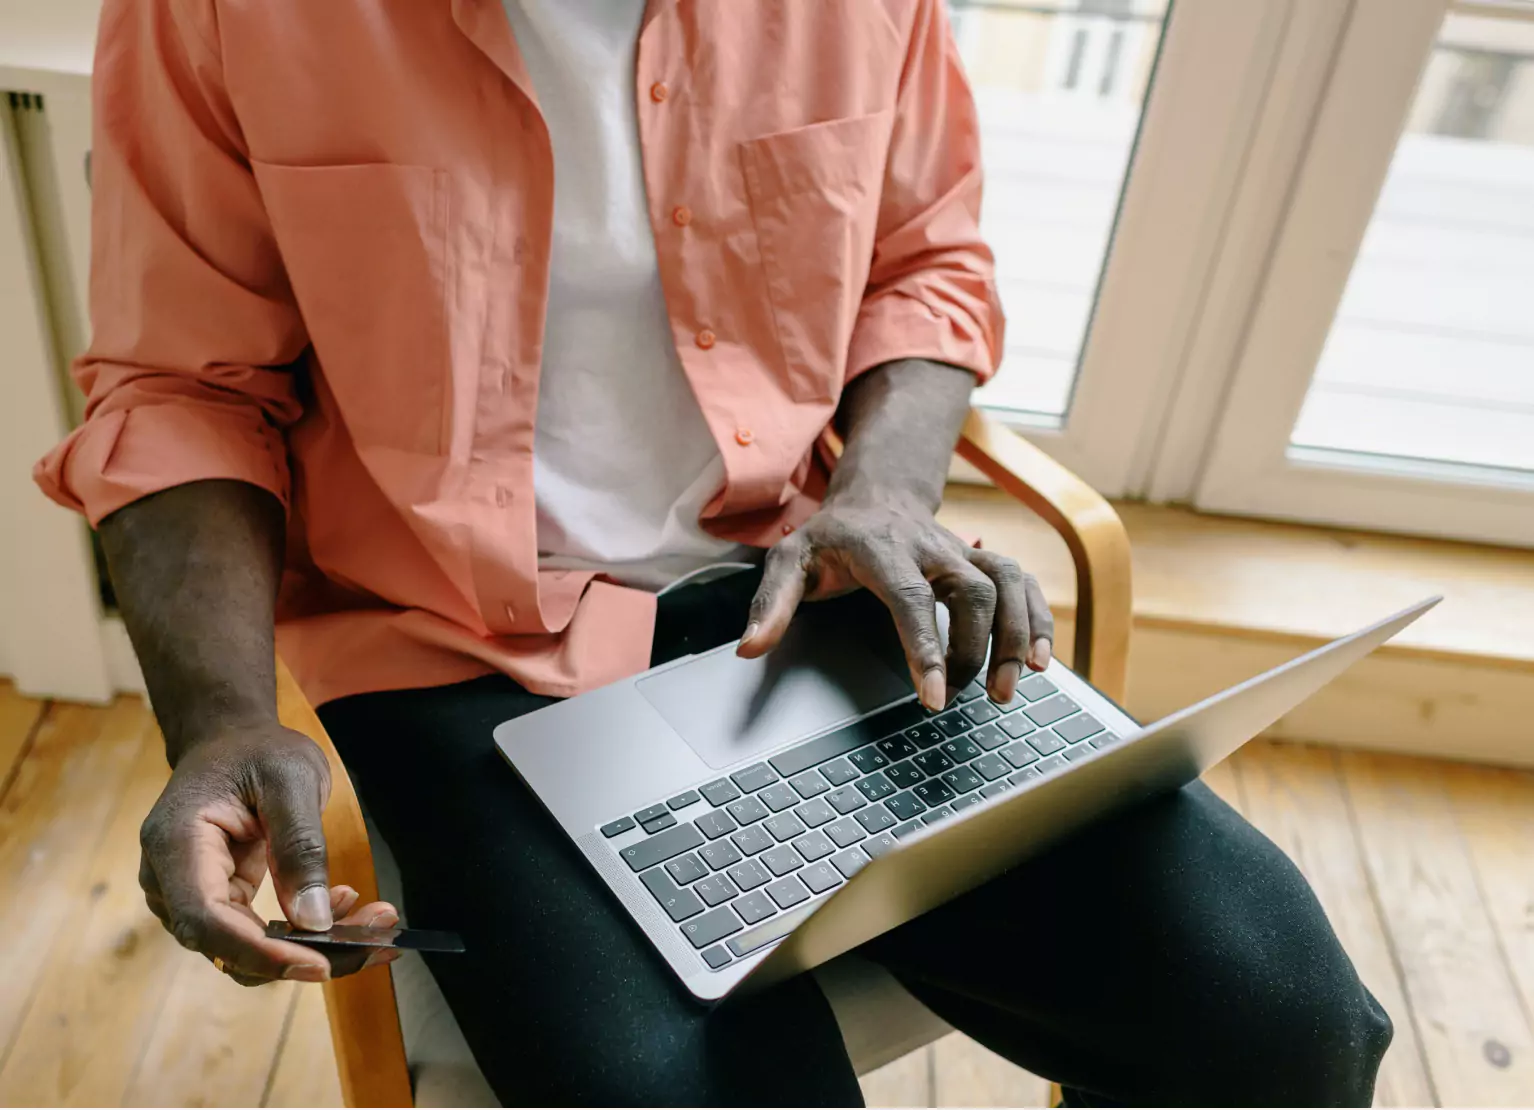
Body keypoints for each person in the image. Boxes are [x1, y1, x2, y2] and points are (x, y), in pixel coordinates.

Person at [36, 0, 1392, 1103]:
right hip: (456, 651)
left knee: (1289, 1030)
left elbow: (927, 262)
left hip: (808, 580)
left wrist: (885, 491)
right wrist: (213, 719)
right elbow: (181, 388)